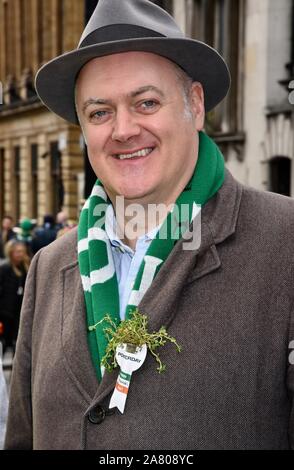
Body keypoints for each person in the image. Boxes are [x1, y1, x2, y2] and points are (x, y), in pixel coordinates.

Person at [4, 0, 294, 450]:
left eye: (146, 102)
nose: (123, 129)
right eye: (99, 112)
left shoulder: (285, 244)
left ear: (194, 106)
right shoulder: (48, 268)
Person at [0, 240, 30, 355]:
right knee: (4, 341)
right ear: (11, 253)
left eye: (22, 252)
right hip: (5, 312)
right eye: (17, 252)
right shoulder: (5, 268)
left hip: (19, 310)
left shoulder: (25, 267)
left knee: (17, 341)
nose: (20, 254)